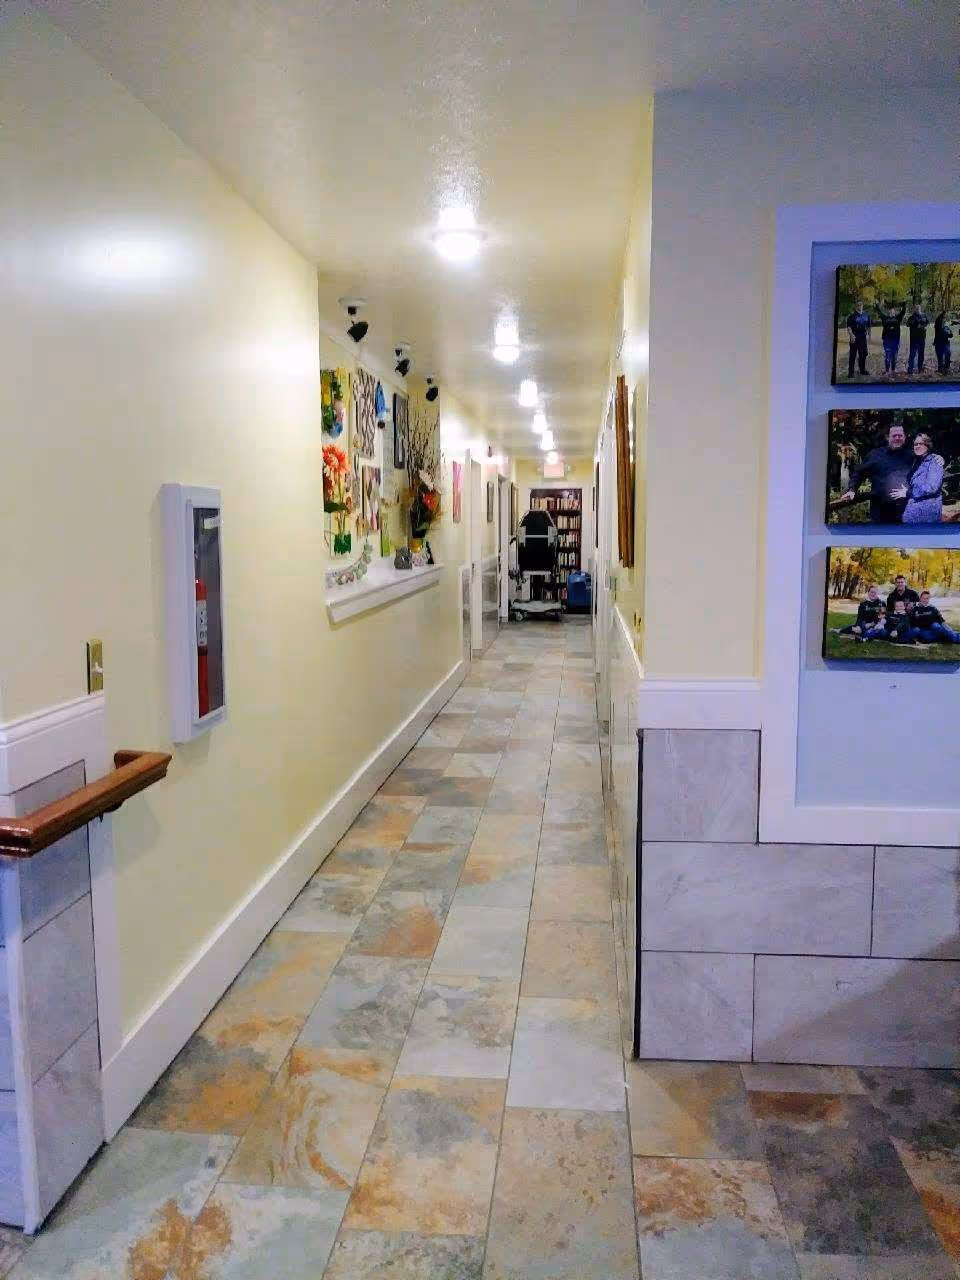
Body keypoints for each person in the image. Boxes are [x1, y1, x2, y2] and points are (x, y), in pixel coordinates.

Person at [840, 423, 912, 523]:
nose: (897, 438)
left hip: (906, 510)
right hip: (880, 512)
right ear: (887, 437)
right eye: (894, 435)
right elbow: (859, 472)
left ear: (904, 437)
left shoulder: (912, 456)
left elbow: (926, 467)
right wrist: (852, 489)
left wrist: (937, 458)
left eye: (900, 435)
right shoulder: (875, 455)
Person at [899, 433, 944, 525]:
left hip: (926, 515)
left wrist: (908, 492)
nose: (918, 446)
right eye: (916, 444)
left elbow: (931, 487)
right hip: (913, 514)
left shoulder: (934, 462)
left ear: (927, 446)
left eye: (921, 444)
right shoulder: (915, 462)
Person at [877, 300, 906, 373]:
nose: (891, 313)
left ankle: (893, 370)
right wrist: (877, 306)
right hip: (887, 341)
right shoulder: (885, 318)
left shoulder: (898, 318)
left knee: (894, 357)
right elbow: (879, 313)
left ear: (894, 313)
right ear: (888, 313)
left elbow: (903, 312)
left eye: (893, 312)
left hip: (895, 340)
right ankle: (887, 371)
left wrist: (904, 305)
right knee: (887, 357)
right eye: (890, 312)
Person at [845, 300, 871, 377]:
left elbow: (869, 326)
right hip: (854, 337)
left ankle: (862, 370)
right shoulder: (852, 316)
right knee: (853, 355)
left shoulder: (866, 315)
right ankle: (851, 373)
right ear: (856, 306)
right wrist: (851, 335)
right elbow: (849, 327)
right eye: (858, 305)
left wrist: (869, 336)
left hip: (863, 337)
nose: (860, 306)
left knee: (863, 355)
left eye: (861, 304)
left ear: (863, 305)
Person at [907, 304, 929, 375]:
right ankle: (910, 370)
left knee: (921, 355)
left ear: (920, 309)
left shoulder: (924, 315)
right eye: (916, 308)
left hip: (922, 338)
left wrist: (923, 326)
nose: (918, 309)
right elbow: (907, 324)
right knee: (912, 355)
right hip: (914, 339)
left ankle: (920, 369)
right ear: (914, 309)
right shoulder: (912, 317)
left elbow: (927, 323)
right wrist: (915, 323)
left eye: (919, 308)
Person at [934, 309, 953, 375]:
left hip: (944, 342)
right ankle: (942, 369)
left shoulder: (944, 323)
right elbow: (939, 331)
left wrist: (949, 332)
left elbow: (950, 335)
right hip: (940, 342)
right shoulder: (940, 321)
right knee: (941, 356)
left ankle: (945, 369)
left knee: (946, 354)